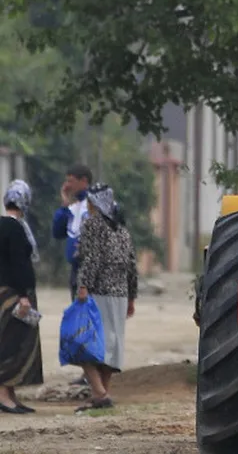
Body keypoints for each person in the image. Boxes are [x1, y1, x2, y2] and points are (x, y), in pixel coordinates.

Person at [73, 183, 137, 411]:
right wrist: (131, 296)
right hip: (120, 294)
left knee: (84, 343)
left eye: (89, 201)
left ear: (95, 202)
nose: (88, 205)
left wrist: (83, 286)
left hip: (98, 292)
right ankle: (103, 393)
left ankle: (99, 393)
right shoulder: (121, 228)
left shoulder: (92, 224)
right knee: (111, 344)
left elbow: (91, 258)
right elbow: (131, 264)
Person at [0, 180, 43, 414]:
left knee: (8, 341)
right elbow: (20, 265)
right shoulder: (16, 229)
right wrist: (25, 295)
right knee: (13, 344)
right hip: (14, 296)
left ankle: (11, 395)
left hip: (3, 294)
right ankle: (4, 395)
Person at [52, 164, 92, 302]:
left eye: (71, 181)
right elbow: (57, 232)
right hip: (75, 272)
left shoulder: (94, 206)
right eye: (66, 181)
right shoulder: (73, 208)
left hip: (91, 271)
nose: (67, 185)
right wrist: (64, 202)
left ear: (84, 181)